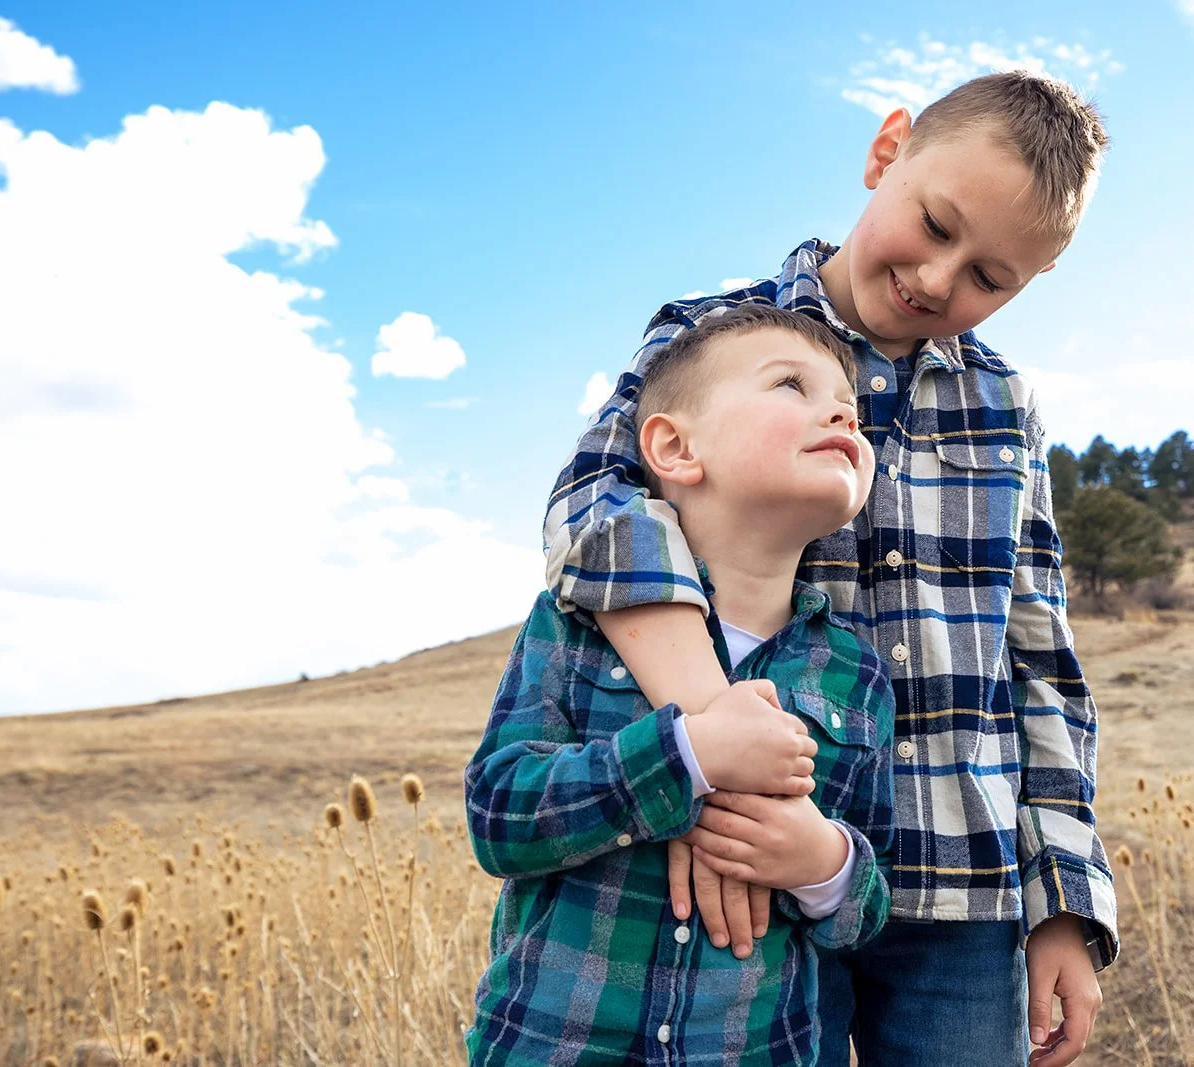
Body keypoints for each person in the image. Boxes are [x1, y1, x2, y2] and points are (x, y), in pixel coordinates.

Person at [543, 70, 1119, 1067]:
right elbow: (592, 512)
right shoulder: (717, 339)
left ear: (1036, 278)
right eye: (933, 224)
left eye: (989, 278)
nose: (938, 278)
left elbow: (1039, 655)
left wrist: (1064, 901)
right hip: (761, 864)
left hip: (961, 885)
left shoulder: (1005, 405)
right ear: (887, 150)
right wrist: (721, 743)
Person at [465, 305, 897, 1066]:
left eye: (849, 406)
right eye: (790, 385)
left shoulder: (855, 674)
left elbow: (867, 903)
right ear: (674, 448)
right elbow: (498, 815)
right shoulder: (575, 624)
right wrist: (685, 755)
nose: (841, 414)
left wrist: (822, 862)